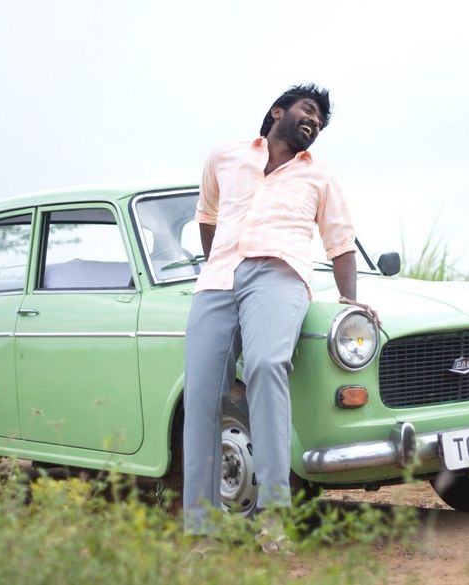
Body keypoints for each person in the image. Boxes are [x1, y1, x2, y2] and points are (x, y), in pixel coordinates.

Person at [182, 83, 377, 549]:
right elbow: (207, 215)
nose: (315, 122)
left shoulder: (320, 176)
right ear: (277, 112)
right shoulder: (224, 156)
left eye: (321, 121)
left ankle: (273, 517)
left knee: (267, 365)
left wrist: (349, 298)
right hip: (218, 279)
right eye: (308, 110)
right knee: (202, 393)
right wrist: (217, 262)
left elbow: (340, 242)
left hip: (279, 275)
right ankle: (202, 530)